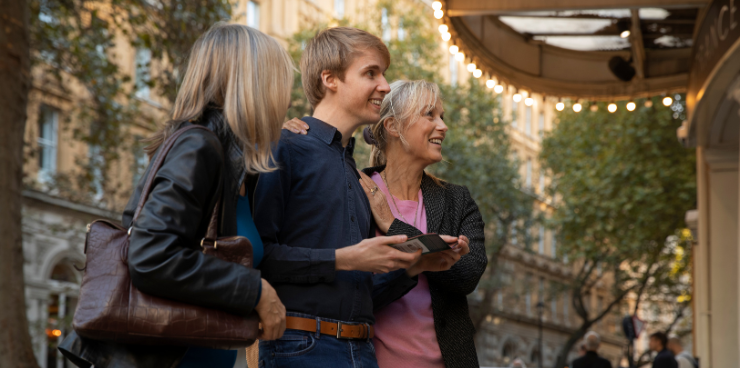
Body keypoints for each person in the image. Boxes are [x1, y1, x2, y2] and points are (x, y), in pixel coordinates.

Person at [59, 22, 293, 368]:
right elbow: (152, 254)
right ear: (252, 87)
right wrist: (255, 290)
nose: (285, 97)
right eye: (279, 83)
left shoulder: (234, 166)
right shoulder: (199, 148)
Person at [253, 28, 465, 368]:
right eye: (371, 73)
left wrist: (416, 265)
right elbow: (258, 258)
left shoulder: (355, 172)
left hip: (361, 350)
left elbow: (361, 291)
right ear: (330, 79)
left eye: (383, 73)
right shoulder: (285, 147)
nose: (384, 85)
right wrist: (345, 258)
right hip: (301, 347)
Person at [284, 79, 487, 368]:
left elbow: (468, 275)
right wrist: (290, 133)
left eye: (442, 116)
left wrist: (393, 224)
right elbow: (346, 294)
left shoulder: (457, 199)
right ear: (392, 127)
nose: (443, 126)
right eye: (430, 115)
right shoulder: (351, 188)